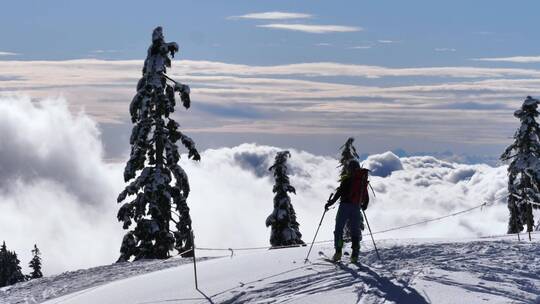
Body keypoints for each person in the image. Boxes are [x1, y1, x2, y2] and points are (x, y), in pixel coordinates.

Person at [325, 160, 370, 263]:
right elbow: (366, 198)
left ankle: (338, 252)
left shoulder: (347, 179)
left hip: (344, 207)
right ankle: (355, 254)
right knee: (355, 231)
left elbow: (338, 193)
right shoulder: (362, 181)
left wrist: (329, 203)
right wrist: (363, 206)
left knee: (339, 229)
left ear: (349, 168)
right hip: (356, 207)